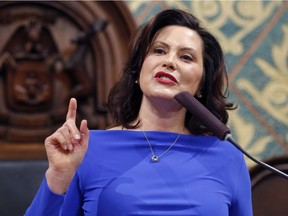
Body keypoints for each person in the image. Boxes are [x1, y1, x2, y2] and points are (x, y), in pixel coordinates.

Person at [25, 9, 253, 216]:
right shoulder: (86, 148)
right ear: (137, 71)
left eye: (186, 57)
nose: (169, 61)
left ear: (202, 85)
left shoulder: (227, 156)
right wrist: (58, 176)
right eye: (159, 51)